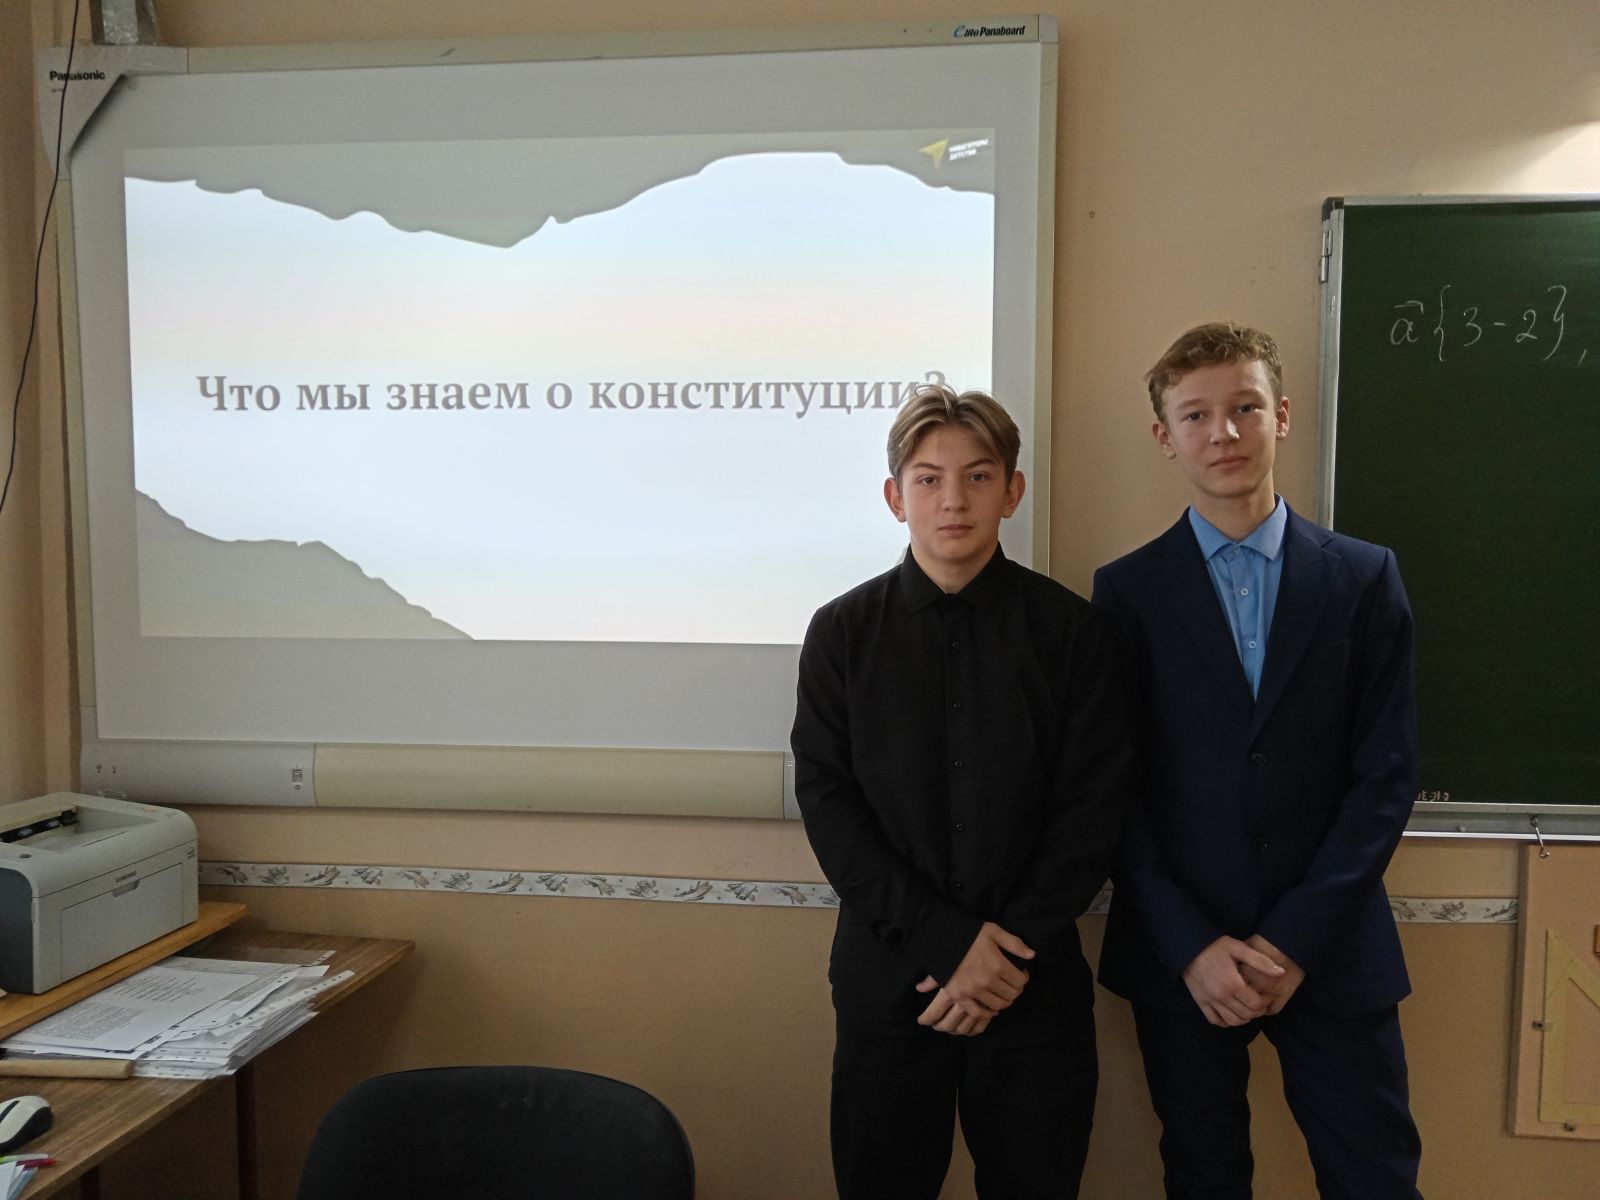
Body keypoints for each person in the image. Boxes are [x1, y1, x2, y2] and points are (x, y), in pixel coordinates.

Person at [1092, 322, 1424, 1199]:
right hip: (1185, 956)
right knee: (1203, 1175)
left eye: (1245, 408)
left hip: (1331, 947)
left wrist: (1293, 942)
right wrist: (1192, 946)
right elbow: (1114, 791)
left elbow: (1386, 778)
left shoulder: (1364, 578)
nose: (1224, 433)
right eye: (1196, 415)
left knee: (1375, 1176)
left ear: (1281, 415)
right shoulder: (1126, 593)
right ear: (1165, 436)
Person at [790, 383, 1132, 1199]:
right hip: (889, 986)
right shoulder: (841, 634)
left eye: (978, 477)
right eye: (929, 479)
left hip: (1031, 986)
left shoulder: (1073, 633)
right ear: (895, 497)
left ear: (1012, 491)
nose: (953, 500)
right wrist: (945, 943)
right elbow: (830, 805)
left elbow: (1094, 808)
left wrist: (998, 955)